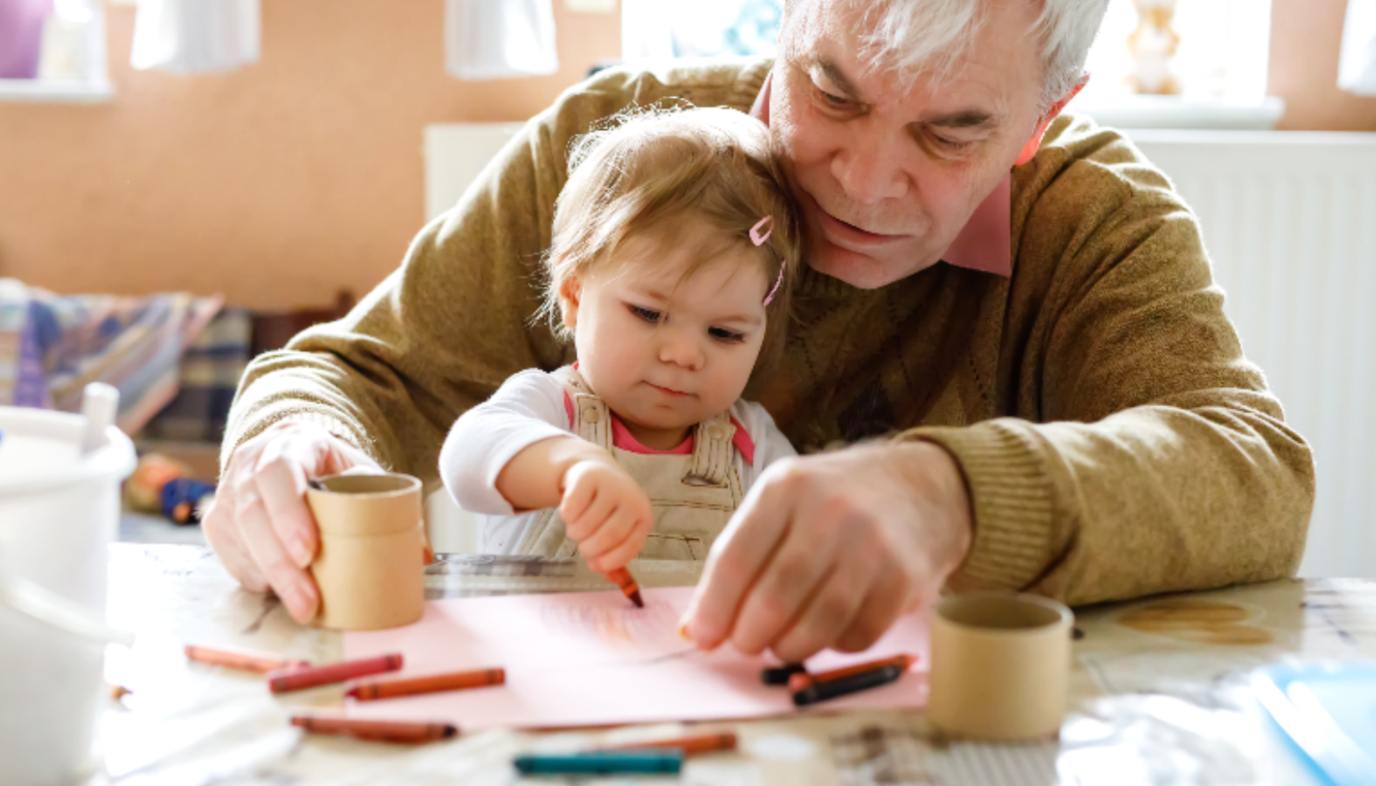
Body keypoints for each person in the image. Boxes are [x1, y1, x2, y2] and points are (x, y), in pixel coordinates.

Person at [205, 0, 1315, 664]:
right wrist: (289, 441)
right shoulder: (616, 150)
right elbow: (356, 374)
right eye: (831, 89)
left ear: (1040, 122)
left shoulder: (1091, 221)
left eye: (948, 132)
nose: (865, 180)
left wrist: (950, 493)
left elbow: (1254, 473)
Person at [439, 106, 799, 570]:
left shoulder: (750, 443)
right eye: (649, 313)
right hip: (545, 642)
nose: (684, 354)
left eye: (725, 333)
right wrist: (568, 467)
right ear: (573, 292)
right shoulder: (551, 408)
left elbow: (810, 532)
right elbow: (465, 458)